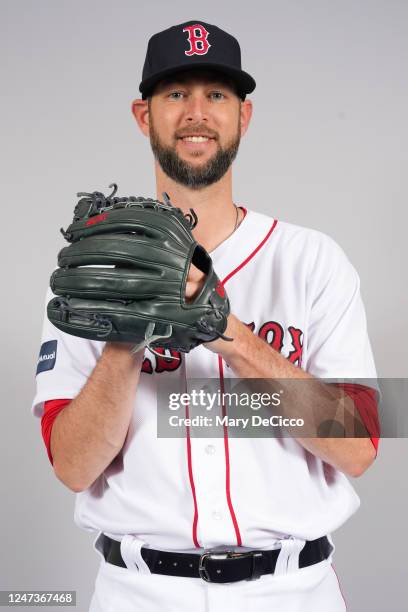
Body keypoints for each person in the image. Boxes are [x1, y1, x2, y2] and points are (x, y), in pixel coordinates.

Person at [32, 20, 380, 612]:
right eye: (176, 94)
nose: (197, 112)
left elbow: (360, 447)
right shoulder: (98, 271)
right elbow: (70, 464)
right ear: (144, 116)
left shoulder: (314, 260)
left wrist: (231, 336)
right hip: (138, 592)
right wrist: (127, 331)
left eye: (216, 94)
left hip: (291, 592)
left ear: (244, 116)